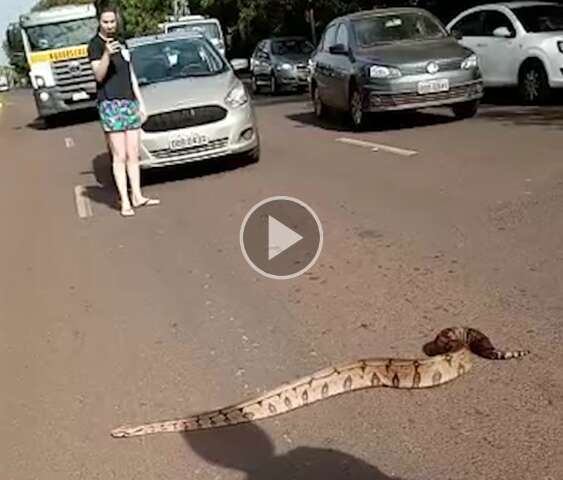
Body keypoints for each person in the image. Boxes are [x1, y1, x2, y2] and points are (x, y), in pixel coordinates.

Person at [88, 4, 160, 217]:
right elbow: (98, 76)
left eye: (112, 21)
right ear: (99, 23)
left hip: (129, 102)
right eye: (105, 22)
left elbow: (130, 75)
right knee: (119, 155)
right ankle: (125, 201)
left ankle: (137, 195)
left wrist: (141, 102)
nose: (110, 25)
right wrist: (107, 55)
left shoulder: (122, 42)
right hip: (110, 104)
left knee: (133, 153)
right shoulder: (95, 45)